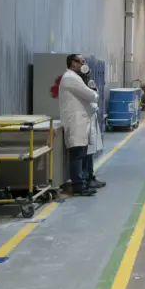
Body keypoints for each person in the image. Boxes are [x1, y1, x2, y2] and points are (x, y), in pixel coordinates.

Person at [58, 54, 99, 196]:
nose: (83, 64)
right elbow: (90, 95)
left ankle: (82, 182)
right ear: (72, 63)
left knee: (81, 153)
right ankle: (79, 186)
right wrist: (93, 92)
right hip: (75, 121)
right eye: (80, 62)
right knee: (77, 154)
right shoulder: (71, 78)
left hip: (80, 121)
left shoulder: (76, 78)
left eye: (84, 62)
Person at [79, 68, 106, 189]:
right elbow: (92, 106)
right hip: (84, 122)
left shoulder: (88, 85)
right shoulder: (78, 88)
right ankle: (85, 178)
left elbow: (94, 99)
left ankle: (89, 176)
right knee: (85, 152)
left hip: (89, 122)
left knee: (89, 151)